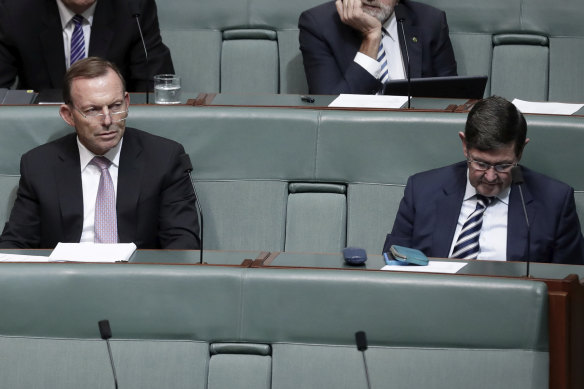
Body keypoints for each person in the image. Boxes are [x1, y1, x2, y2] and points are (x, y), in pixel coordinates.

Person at [0, 57, 200, 249]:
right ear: (68, 115)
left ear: (127, 102)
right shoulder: (39, 165)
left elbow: (182, 242)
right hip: (65, 278)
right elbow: (15, 243)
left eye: (115, 106)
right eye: (93, 110)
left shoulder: (164, 158)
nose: (107, 120)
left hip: (137, 278)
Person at [383, 96, 584, 264]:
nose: (490, 176)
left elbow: (570, 284)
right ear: (465, 145)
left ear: (521, 151)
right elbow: (395, 262)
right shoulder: (422, 190)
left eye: (503, 166)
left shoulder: (555, 201)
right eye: (480, 163)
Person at [0, 0, 173, 92]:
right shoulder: (14, 11)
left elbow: (153, 84)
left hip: (112, 125)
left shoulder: (133, 7)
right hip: (42, 127)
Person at [298, 0, 457, 95]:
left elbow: (452, 100)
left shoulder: (430, 22)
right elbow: (329, 110)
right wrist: (371, 37)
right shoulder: (319, 25)